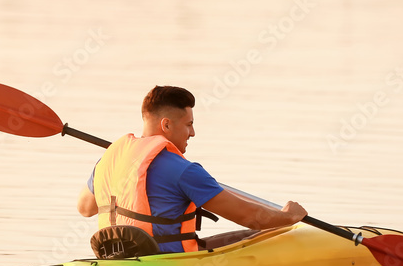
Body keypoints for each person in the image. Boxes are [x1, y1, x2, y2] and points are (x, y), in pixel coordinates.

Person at [77, 85, 307, 257]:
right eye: (189, 124)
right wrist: (288, 218)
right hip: (170, 263)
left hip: (115, 258)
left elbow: (85, 208)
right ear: (166, 124)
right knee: (276, 233)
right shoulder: (184, 171)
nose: (193, 133)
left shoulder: (107, 161)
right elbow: (249, 217)